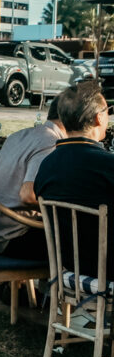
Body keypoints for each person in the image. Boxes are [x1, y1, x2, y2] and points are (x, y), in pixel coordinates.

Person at [34, 81, 114, 277]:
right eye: (108, 111)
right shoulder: (107, 165)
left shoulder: (47, 165)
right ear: (98, 117)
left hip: (70, 269)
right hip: (106, 269)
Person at [0, 97, 64, 259]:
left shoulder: (17, 135)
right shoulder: (51, 141)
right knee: (80, 238)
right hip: (12, 238)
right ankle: (60, 284)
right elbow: (28, 196)